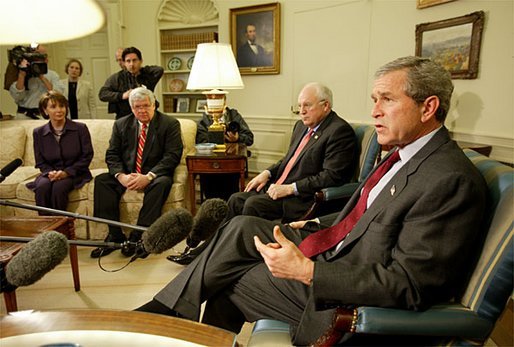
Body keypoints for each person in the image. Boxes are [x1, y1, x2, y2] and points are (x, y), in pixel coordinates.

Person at [136, 56, 488, 346]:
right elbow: (368, 219)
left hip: (350, 291)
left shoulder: (450, 179)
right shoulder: (404, 155)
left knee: (229, 278)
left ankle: (164, 321)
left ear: (428, 107)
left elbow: (409, 285)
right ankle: (166, 313)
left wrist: (309, 271)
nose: (375, 111)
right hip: (336, 247)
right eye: (374, 100)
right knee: (242, 226)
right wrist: (316, 225)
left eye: (387, 99)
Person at [226, 82, 357, 224]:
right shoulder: (300, 126)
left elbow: (331, 176)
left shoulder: (339, 131)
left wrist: (290, 189)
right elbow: (290, 160)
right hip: (279, 185)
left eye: (307, 105)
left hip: (301, 197)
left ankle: (248, 244)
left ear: (325, 106)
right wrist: (267, 173)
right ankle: (222, 244)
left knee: (253, 205)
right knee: (235, 200)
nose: (302, 111)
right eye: (299, 106)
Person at [90, 87, 183, 258]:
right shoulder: (121, 124)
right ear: (132, 108)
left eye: (146, 106)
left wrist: (148, 177)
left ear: (154, 104)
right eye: (137, 107)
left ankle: (139, 237)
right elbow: (112, 154)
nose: (142, 110)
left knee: (162, 183)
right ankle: (115, 236)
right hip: (128, 174)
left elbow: (172, 156)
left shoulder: (169, 124)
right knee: (102, 181)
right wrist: (121, 176)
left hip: (154, 174)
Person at [26, 91, 93, 213]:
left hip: (75, 173)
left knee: (59, 187)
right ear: (45, 111)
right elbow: (40, 161)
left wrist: (66, 173)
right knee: (42, 187)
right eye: (53, 107)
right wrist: (50, 172)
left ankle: (60, 226)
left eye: (62, 106)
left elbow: (86, 156)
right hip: (50, 173)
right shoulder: (38, 132)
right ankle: (45, 227)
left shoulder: (80, 128)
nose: (59, 110)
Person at [196, 104, 254, 201]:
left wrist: (237, 138)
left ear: (224, 103)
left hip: (231, 162)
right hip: (210, 162)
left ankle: (230, 204)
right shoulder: (204, 121)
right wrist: (218, 136)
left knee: (230, 188)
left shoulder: (234, 116)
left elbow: (249, 138)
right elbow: (201, 141)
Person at [98, 47, 164, 119]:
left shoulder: (147, 75)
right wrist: (122, 95)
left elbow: (159, 70)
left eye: (134, 60)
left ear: (141, 61)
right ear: (124, 63)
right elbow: (102, 94)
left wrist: (141, 70)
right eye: (128, 61)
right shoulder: (117, 78)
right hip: (125, 116)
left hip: (147, 114)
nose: (131, 64)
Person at [8, 44, 64, 119]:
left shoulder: (52, 75)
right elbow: (18, 96)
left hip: (44, 116)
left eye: (40, 57)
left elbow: (57, 94)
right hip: (24, 116)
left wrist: (41, 76)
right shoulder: (21, 73)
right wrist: (22, 75)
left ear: (46, 60)